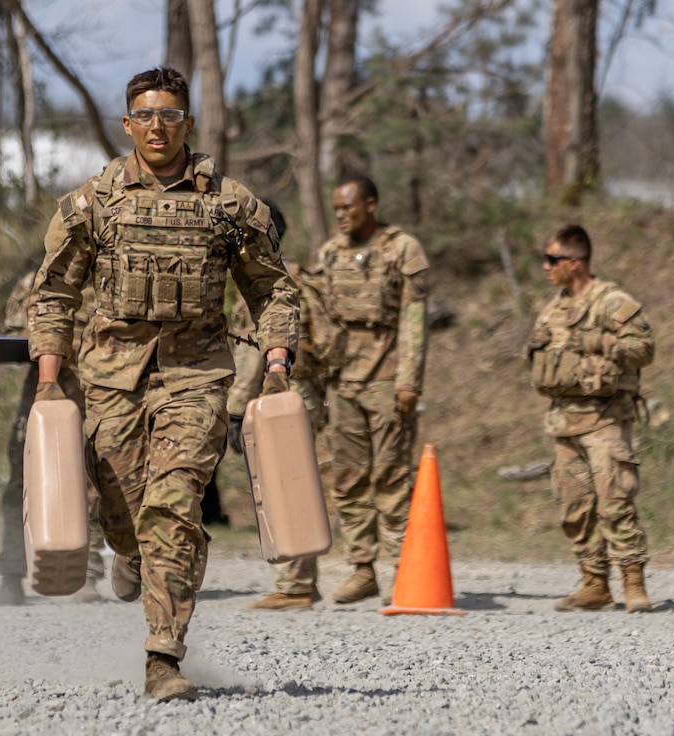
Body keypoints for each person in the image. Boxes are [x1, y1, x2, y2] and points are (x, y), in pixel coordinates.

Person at [28, 67, 298, 702]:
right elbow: (55, 290)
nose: (157, 126)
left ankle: (162, 657)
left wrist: (278, 362)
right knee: (122, 516)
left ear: (188, 123)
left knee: (174, 507)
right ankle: (128, 557)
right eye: (145, 115)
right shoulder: (94, 201)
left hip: (196, 374)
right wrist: (48, 380)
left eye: (169, 115)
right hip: (111, 378)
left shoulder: (229, 205)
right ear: (128, 125)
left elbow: (271, 287)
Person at [526, 224, 655, 613]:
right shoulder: (554, 308)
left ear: (574, 263)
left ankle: (633, 583)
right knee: (574, 507)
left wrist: (600, 341)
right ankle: (594, 584)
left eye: (551, 260)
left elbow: (644, 349)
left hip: (604, 419)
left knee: (615, 502)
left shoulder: (612, 301)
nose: (546, 267)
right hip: (564, 421)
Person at [312, 174, 429, 604]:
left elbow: (414, 323)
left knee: (392, 477)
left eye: (349, 207)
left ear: (372, 204)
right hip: (343, 383)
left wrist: (409, 382)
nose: (341, 215)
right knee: (347, 479)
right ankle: (362, 568)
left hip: (387, 380)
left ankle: (405, 569)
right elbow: (319, 319)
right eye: (337, 209)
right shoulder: (329, 254)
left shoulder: (402, 250)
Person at [225, 203, 328, 610]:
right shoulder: (299, 275)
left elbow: (254, 354)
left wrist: (235, 410)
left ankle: (296, 584)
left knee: (284, 484)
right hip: (304, 393)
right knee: (295, 481)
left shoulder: (264, 284)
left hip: (278, 394)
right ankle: (298, 579)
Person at [0, 269, 107, 605]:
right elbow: (15, 334)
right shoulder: (37, 280)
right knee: (21, 485)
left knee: (90, 486)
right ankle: (11, 575)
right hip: (43, 399)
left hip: (95, 397)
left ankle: (85, 574)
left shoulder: (110, 276)